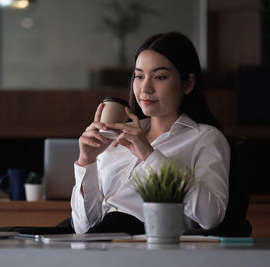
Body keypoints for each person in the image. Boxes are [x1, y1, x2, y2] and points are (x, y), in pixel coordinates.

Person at [71, 32, 230, 234]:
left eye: (159, 77)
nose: (145, 88)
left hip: (150, 248)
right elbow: (83, 227)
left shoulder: (205, 138)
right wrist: (87, 161)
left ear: (187, 83)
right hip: (100, 246)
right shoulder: (117, 138)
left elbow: (211, 216)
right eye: (139, 76)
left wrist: (150, 156)